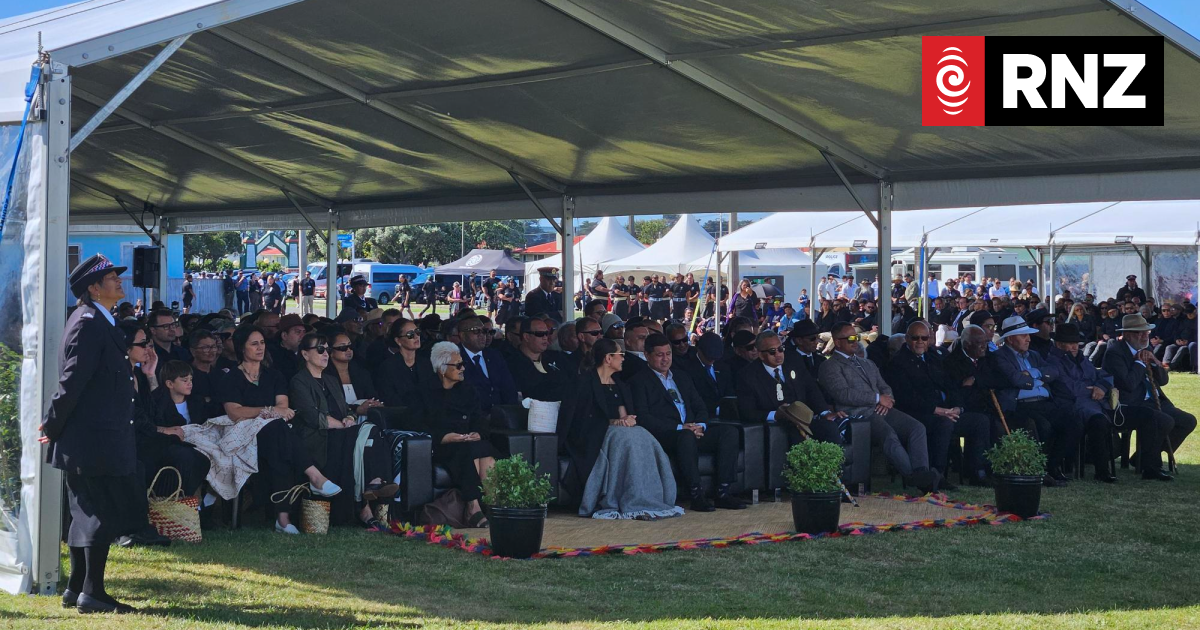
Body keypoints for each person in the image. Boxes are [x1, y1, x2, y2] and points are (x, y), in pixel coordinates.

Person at [41, 255, 146, 613]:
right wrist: (52, 424)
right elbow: (72, 381)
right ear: (94, 288)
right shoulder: (88, 323)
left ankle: (76, 588)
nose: (119, 281)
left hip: (94, 436)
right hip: (93, 439)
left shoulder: (98, 320)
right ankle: (93, 592)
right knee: (100, 511)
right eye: (111, 277)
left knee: (85, 511)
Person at [215, 326, 343, 534]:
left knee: (279, 443)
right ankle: (311, 482)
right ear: (241, 347)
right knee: (279, 433)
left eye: (262, 343)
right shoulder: (231, 378)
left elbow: (283, 407)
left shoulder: (273, 375)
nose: (260, 348)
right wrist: (268, 411)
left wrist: (272, 412)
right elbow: (235, 412)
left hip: (274, 435)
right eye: (254, 344)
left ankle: (284, 518)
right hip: (245, 436)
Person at [557, 339, 684, 519]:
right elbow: (579, 419)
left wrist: (627, 420)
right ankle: (631, 498)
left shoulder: (620, 384)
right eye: (620, 355)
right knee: (628, 440)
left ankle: (652, 498)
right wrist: (614, 422)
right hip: (594, 435)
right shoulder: (583, 382)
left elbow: (623, 413)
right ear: (608, 358)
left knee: (643, 436)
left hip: (619, 432)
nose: (624, 358)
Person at [818, 323, 940, 493]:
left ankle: (921, 472)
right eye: (851, 338)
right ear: (837, 342)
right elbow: (843, 394)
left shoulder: (867, 363)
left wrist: (887, 399)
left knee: (917, 427)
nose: (855, 341)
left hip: (883, 410)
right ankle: (914, 477)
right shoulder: (830, 366)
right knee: (888, 435)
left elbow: (885, 386)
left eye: (856, 337)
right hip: (858, 414)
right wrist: (877, 399)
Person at [290, 333, 397, 527]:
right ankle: (371, 491)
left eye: (327, 350)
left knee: (372, 435)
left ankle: (368, 497)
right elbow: (313, 417)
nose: (325, 354)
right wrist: (343, 425)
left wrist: (349, 418)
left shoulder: (331, 379)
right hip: (319, 438)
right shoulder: (299, 381)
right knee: (368, 433)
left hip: (342, 434)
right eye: (320, 349)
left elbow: (347, 410)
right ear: (305, 354)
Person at [630, 334, 745, 511]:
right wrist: (680, 427)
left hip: (692, 430)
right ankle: (696, 495)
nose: (665, 359)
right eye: (659, 355)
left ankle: (723, 492)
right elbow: (644, 417)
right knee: (685, 436)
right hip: (666, 434)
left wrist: (700, 425)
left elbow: (700, 407)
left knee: (729, 432)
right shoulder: (639, 381)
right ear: (647, 355)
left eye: (668, 354)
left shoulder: (681, 376)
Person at [883, 321, 990, 488]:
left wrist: (958, 407)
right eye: (915, 338)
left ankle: (977, 472)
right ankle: (936, 475)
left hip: (945, 410)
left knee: (979, 421)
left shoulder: (934, 357)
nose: (920, 341)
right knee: (944, 424)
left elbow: (950, 385)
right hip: (918, 414)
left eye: (924, 338)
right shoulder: (898, 363)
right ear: (907, 339)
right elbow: (905, 397)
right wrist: (937, 410)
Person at [987, 316, 1079, 487]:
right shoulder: (999, 356)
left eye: (1028, 335)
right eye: (1023, 335)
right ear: (1010, 339)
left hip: (1043, 402)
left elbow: (1054, 371)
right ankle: (1039, 470)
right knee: (1043, 426)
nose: (1028, 339)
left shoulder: (1034, 355)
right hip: (1019, 405)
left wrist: (1033, 373)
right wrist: (1038, 378)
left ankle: (1052, 466)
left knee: (1072, 421)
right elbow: (1017, 380)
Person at [1102, 314, 1194, 481]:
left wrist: (1153, 362)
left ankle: (1141, 456)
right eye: (1140, 333)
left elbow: (1163, 381)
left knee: (1187, 421)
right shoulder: (1114, 353)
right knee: (1164, 421)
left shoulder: (1147, 348)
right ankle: (1151, 467)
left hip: (1153, 400)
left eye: (1146, 332)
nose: (1145, 336)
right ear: (1127, 334)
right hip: (1131, 403)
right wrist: (1138, 363)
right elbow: (1128, 384)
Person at [417, 342, 499, 527]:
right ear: (442, 369)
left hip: (468, 440)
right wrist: (444, 437)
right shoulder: (424, 392)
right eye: (458, 365)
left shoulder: (468, 390)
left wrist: (478, 433)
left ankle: (493, 506)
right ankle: (473, 508)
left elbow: (479, 418)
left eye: (463, 364)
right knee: (465, 452)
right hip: (441, 444)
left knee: (484, 451)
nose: (463, 368)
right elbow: (416, 424)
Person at [736, 330, 843, 449]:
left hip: (803, 419)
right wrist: (775, 415)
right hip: (775, 425)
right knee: (796, 435)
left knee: (829, 428)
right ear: (761, 355)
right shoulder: (747, 375)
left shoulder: (793, 361)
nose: (778, 354)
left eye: (780, 349)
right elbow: (747, 412)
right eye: (772, 351)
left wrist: (824, 412)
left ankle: (836, 461)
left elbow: (811, 388)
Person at [1045, 324, 1118, 483]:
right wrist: (1093, 390)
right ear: (1059, 344)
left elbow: (1103, 375)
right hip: (1071, 406)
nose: (1074, 346)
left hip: (1094, 405)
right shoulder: (1053, 361)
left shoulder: (1082, 359)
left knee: (1105, 420)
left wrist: (1101, 387)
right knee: (1098, 421)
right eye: (1070, 343)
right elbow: (1068, 388)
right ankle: (1102, 471)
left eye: (1076, 343)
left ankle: (1103, 469)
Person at [457, 315, 518, 411]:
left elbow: (509, 389)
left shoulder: (495, 356)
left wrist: (508, 413)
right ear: (462, 335)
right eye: (476, 331)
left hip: (500, 415)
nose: (482, 335)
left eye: (484, 331)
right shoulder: (454, 358)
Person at [505, 316, 572, 401]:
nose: (545, 337)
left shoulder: (558, 357)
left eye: (547, 333)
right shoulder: (511, 364)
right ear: (526, 337)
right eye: (540, 334)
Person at [326, 330, 385, 413]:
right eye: (343, 347)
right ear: (330, 351)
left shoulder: (361, 372)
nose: (348, 350)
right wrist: (357, 409)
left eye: (350, 346)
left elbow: (372, 396)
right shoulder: (324, 374)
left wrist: (375, 404)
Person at [268, 314, 307, 380]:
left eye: (304, 332)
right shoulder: (272, 356)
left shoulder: (308, 353)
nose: (302, 336)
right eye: (298, 332)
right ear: (284, 336)